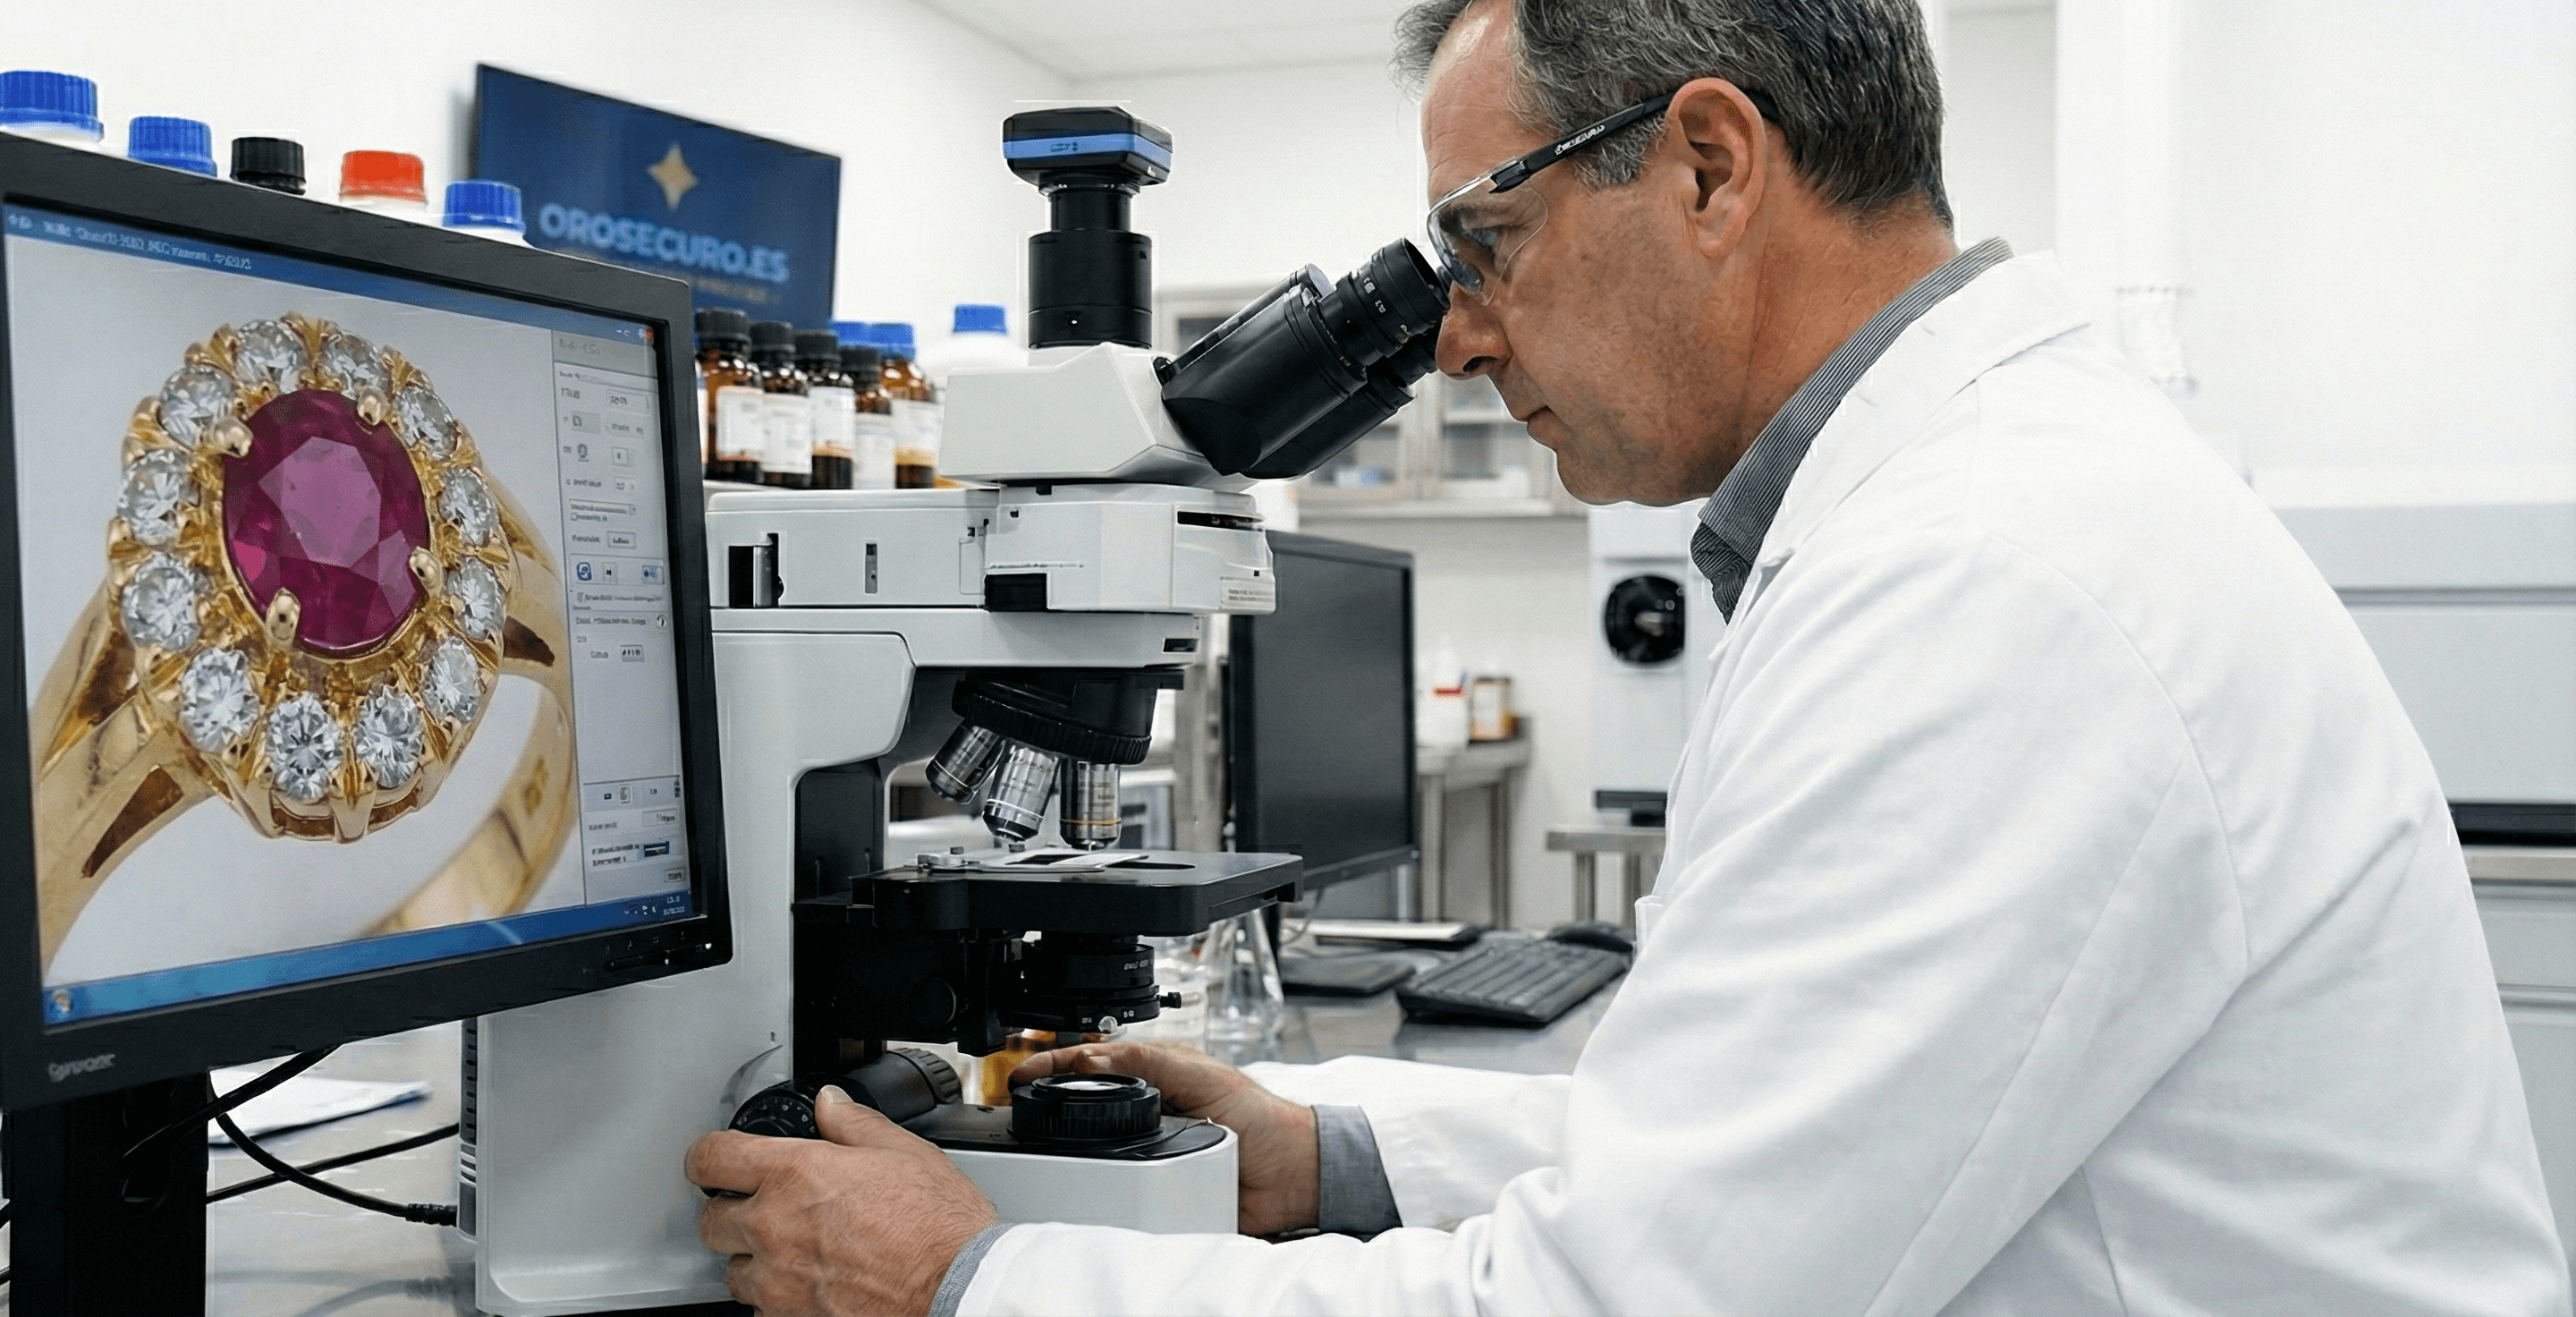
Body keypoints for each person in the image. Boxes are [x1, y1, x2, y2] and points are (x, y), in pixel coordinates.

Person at [685, 0, 2574, 1312]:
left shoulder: (1989, 581)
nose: (1453, 341)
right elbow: (1762, 1144)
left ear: (1710, 168)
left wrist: (973, 1277)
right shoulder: (1964, 513)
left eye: (1482, 244)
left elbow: (1640, 1295)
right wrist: (1324, 1157)